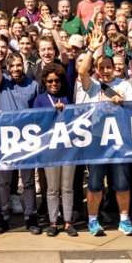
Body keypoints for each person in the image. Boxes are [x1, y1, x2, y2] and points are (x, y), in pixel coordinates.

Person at [74, 34, 132, 237]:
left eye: (108, 67)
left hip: (119, 140)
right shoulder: (92, 85)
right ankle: (93, 220)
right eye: (101, 67)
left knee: (122, 183)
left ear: (114, 68)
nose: (105, 70)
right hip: (96, 141)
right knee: (94, 183)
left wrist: (123, 102)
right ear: (96, 69)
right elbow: (81, 71)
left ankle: (124, 220)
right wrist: (91, 50)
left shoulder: (125, 85)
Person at [0, 32, 43, 235]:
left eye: (18, 65)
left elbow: (40, 112)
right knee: (4, 181)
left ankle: (31, 217)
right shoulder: (3, 82)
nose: (15, 69)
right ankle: (2, 217)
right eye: (11, 66)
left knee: (28, 181)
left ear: (23, 66)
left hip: (27, 139)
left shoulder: (33, 85)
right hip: (6, 138)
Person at [32, 62, 77, 237]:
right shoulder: (40, 99)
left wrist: (71, 58)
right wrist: (52, 111)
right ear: (44, 81)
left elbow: (75, 118)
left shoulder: (67, 97)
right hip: (49, 150)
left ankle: (67, 222)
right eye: (50, 81)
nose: (53, 84)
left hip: (68, 149)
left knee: (67, 188)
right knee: (52, 189)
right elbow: (37, 122)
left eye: (57, 80)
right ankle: (53, 222)